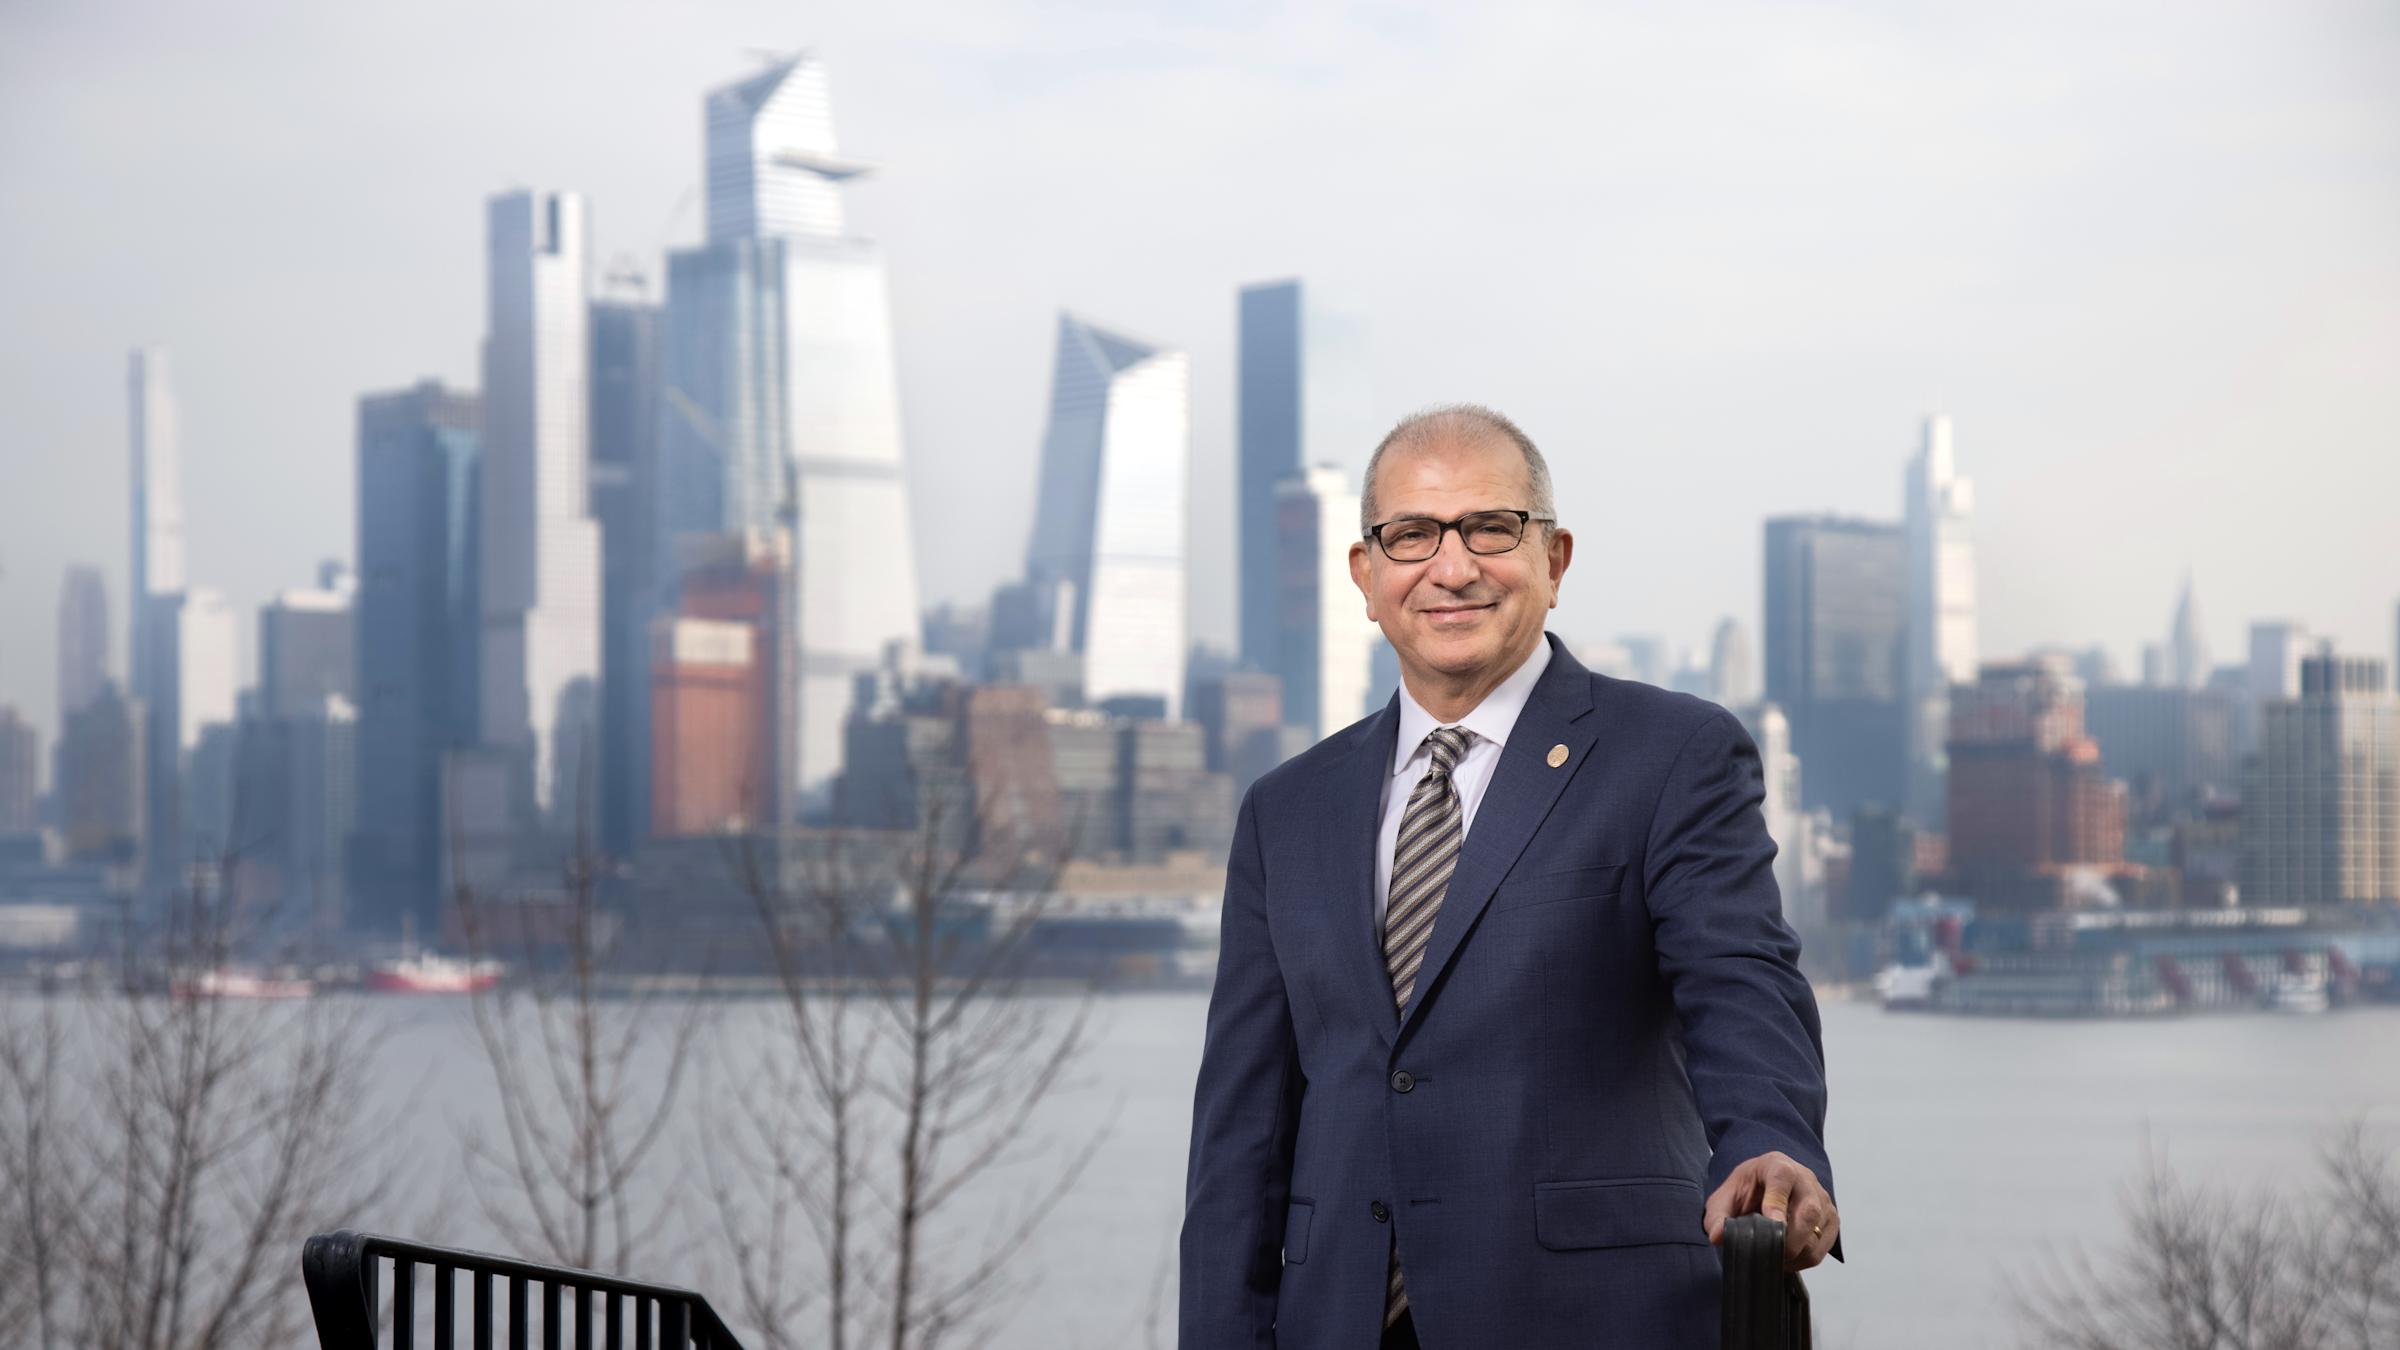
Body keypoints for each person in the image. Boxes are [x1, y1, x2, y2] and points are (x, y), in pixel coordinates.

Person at [1179, 406, 1839, 1349]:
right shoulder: (1285, 810)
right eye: (1410, 536)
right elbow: (1239, 1141)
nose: (1452, 568)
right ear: (1366, 578)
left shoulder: (1672, 756)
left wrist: (1771, 1143)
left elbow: (1742, 982)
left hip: (1596, 1320)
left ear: (1554, 560)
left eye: (1491, 529)